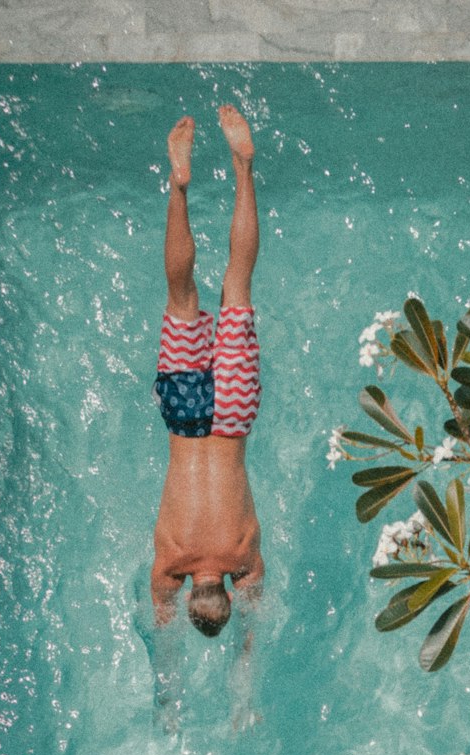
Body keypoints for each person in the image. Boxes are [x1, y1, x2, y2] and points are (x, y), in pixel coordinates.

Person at [150, 104, 264, 649]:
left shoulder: (244, 554)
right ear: (194, 594)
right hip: (184, 419)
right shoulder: (170, 560)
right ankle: (179, 186)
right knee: (183, 296)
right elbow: (162, 618)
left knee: (237, 283)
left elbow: (254, 615)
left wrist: (244, 649)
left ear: (226, 595)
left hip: (234, 419)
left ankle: (244, 166)